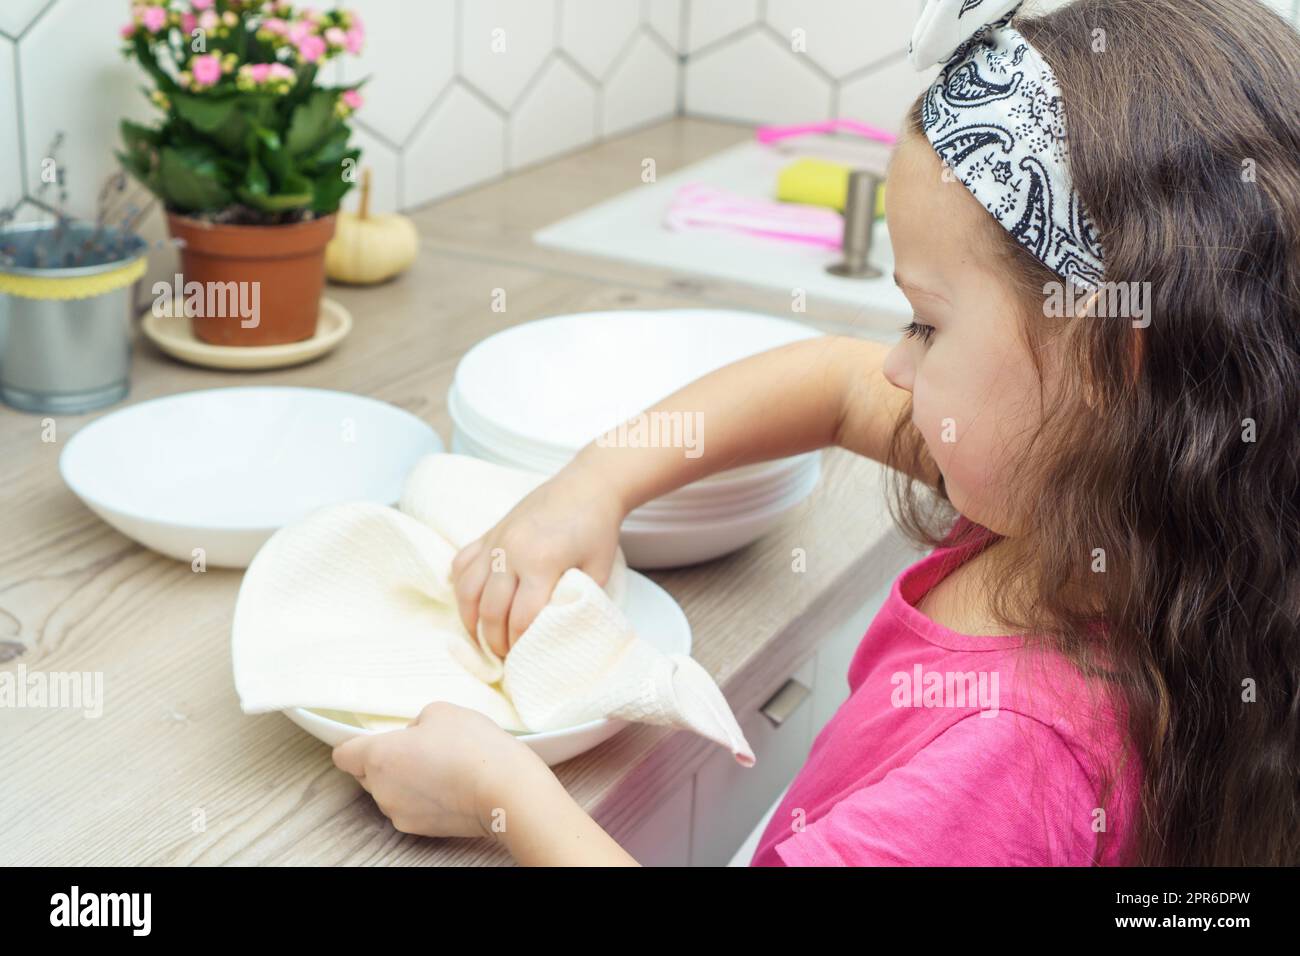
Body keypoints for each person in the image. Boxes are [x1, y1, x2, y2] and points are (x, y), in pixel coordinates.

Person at [331, 0, 1300, 866]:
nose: (892, 364)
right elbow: (832, 383)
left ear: (1103, 362)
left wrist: (504, 796)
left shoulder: (1017, 755)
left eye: (924, 322)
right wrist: (590, 484)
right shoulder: (1101, 487)